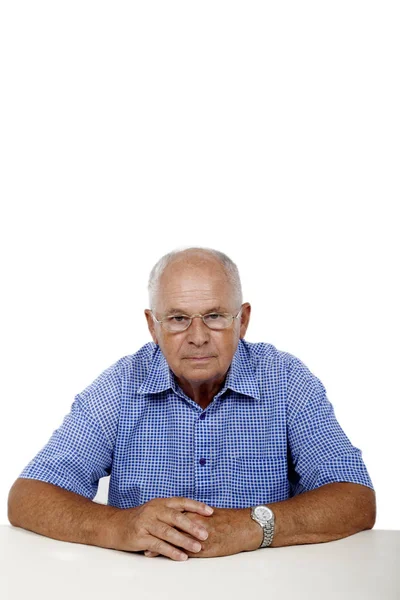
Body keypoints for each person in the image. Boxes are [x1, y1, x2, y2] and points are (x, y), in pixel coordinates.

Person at [8, 247, 376, 561]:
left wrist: (252, 526)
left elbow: (356, 499)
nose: (198, 337)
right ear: (153, 327)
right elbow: (28, 496)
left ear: (242, 320)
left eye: (215, 316)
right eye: (178, 319)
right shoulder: (121, 385)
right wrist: (120, 525)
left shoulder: (286, 380)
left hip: (265, 587)